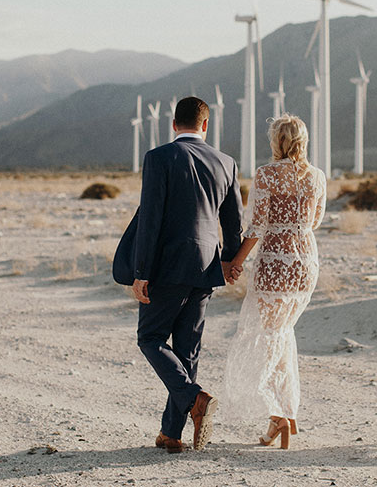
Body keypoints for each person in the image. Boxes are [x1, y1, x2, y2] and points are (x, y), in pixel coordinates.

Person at [131, 96, 243, 453]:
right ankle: (172, 434)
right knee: (187, 351)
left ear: (174, 124)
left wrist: (141, 271)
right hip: (207, 267)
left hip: (167, 266)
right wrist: (229, 260)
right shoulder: (226, 162)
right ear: (206, 125)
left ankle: (195, 398)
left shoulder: (158, 157)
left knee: (150, 338)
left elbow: (150, 219)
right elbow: (234, 221)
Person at [222, 114, 326, 450]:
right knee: (282, 333)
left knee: (264, 335)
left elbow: (255, 227)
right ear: (304, 141)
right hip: (306, 264)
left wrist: (236, 262)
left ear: (276, 142)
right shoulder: (318, 177)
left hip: (274, 264)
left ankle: (274, 411)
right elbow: (316, 220)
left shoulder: (267, 175)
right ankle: (286, 414)